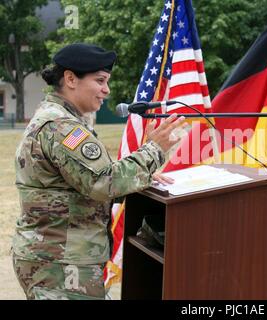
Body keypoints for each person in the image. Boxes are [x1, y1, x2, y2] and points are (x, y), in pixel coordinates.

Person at [12, 43, 185, 300]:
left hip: (59, 259)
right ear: (70, 79)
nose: (107, 90)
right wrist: (154, 150)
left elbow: (82, 183)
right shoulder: (61, 126)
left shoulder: (58, 118)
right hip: (61, 264)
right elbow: (103, 183)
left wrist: (142, 176)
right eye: (100, 81)